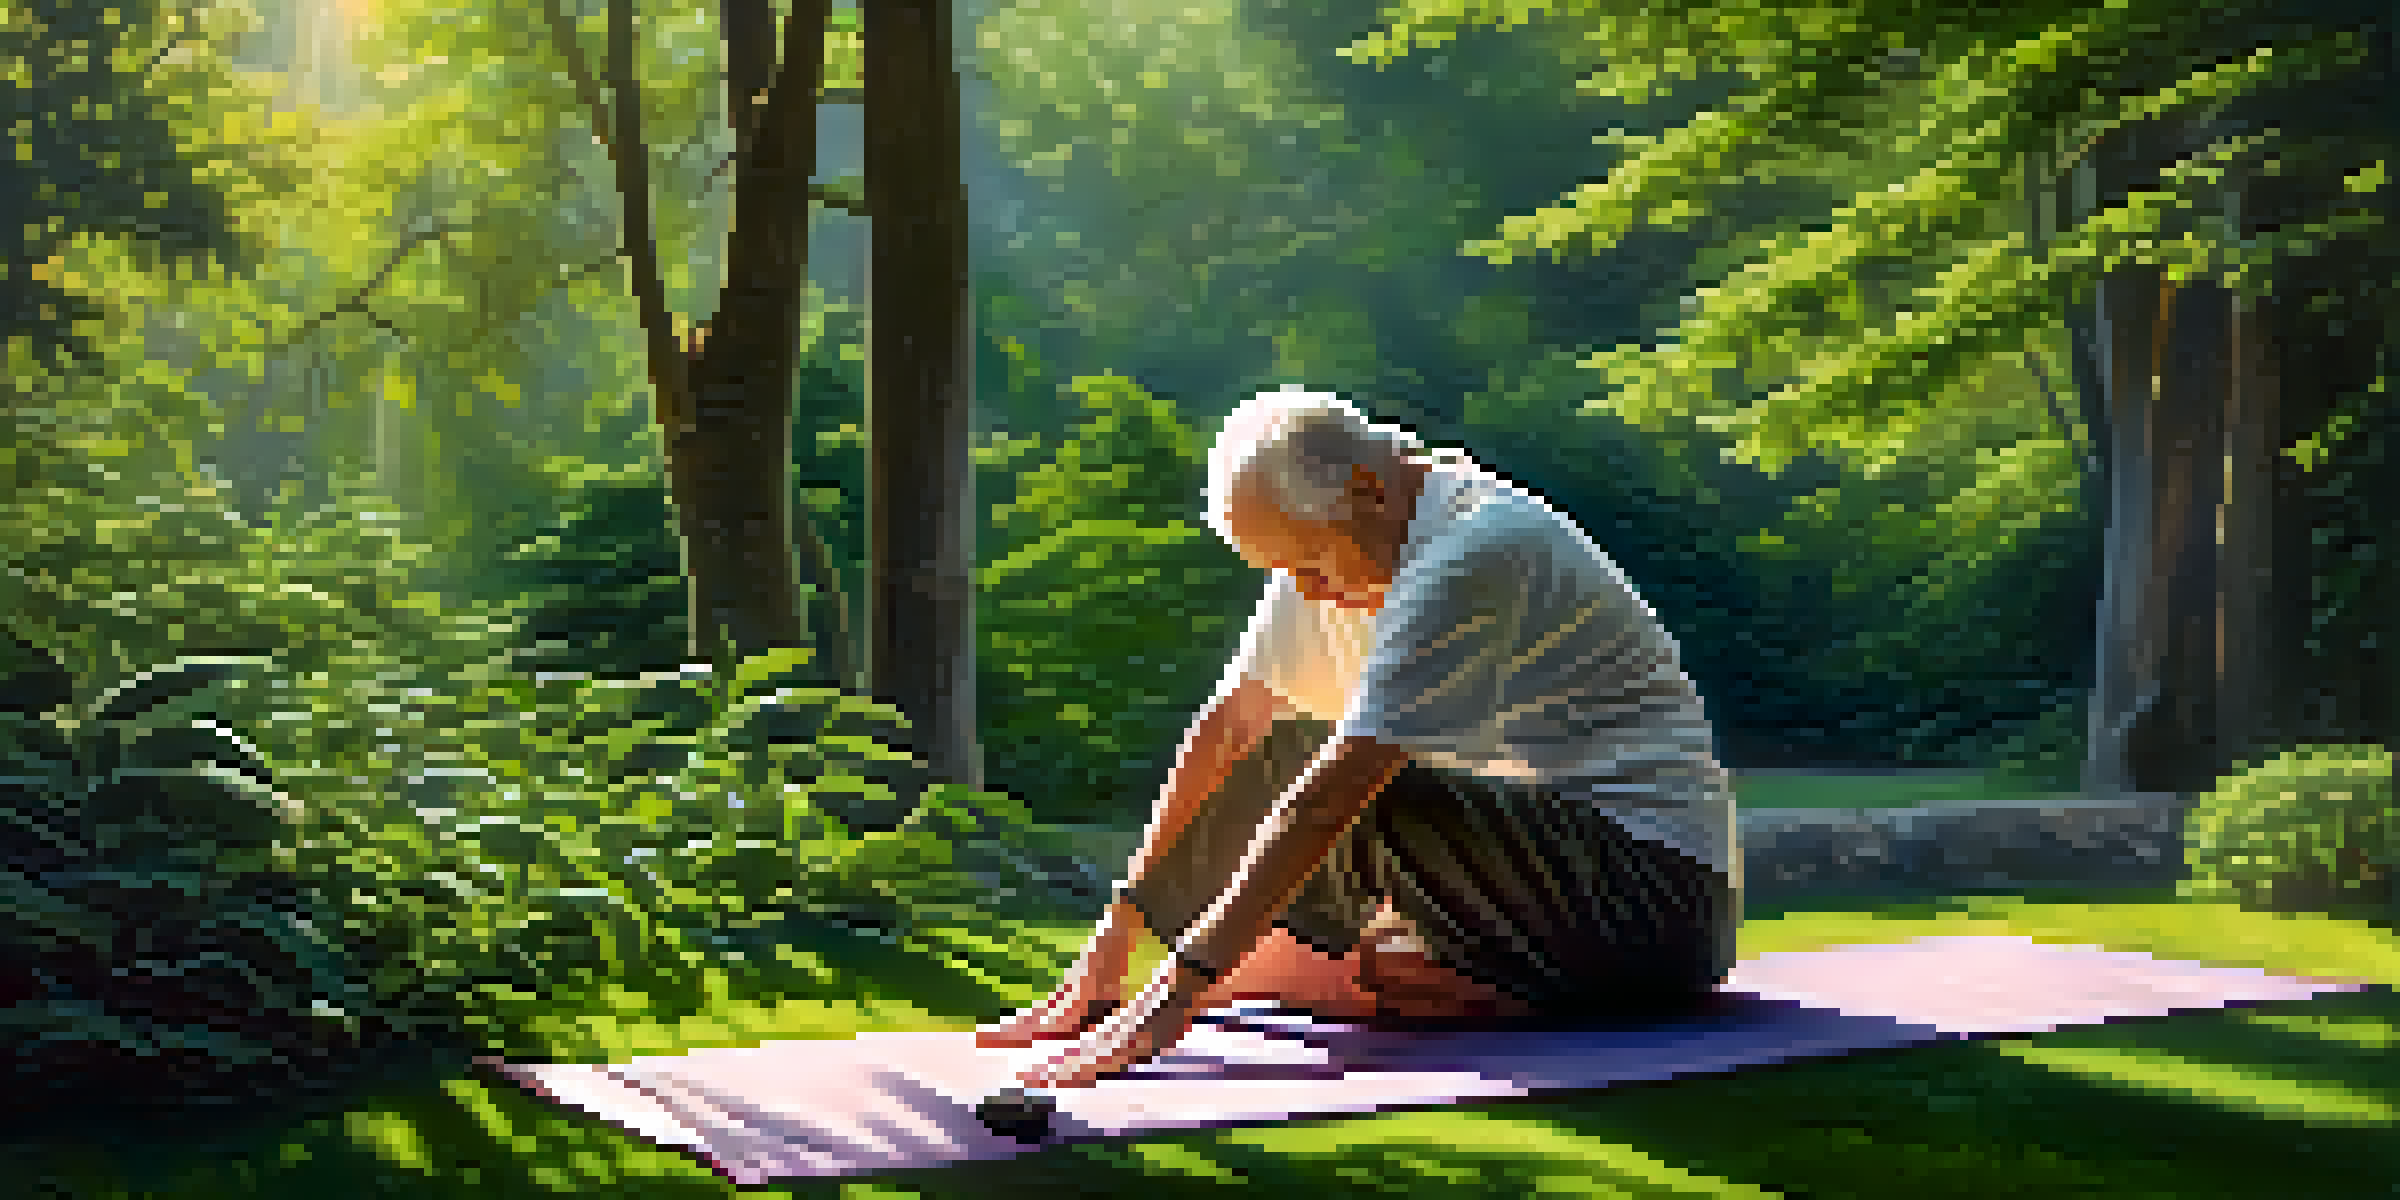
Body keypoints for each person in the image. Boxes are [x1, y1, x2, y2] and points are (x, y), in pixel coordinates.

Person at [978, 386, 1741, 1088]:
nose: (1304, 590)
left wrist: (1179, 988)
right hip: (1523, 885)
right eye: (1283, 569)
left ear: (1371, 489)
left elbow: (1333, 795)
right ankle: (1411, 977)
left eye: (1308, 564)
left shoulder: (1474, 550)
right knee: (1289, 794)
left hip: (1658, 898)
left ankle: (1254, 982)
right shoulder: (1340, 536)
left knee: (1343, 783)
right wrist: (1110, 944)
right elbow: (1230, 729)